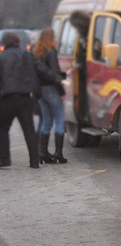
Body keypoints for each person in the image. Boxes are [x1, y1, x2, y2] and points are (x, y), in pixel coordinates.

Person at [0, 32, 61, 168]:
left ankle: (4, 159)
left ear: (4, 43)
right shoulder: (27, 55)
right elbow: (42, 70)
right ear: (17, 42)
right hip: (26, 97)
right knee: (29, 130)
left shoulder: (2, 57)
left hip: (7, 99)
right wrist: (58, 80)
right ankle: (34, 161)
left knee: (3, 128)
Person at [33, 28, 68, 164]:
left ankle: (43, 152)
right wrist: (62, 91)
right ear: (51, 38)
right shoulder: (51, 52)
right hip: (52, 89)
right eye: (54, 36)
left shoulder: (37, 52)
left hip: (41, 91)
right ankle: (58, 153)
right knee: (59, 121)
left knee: (46, 121)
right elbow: (53, 73)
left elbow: (42, 72)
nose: (55, 39)